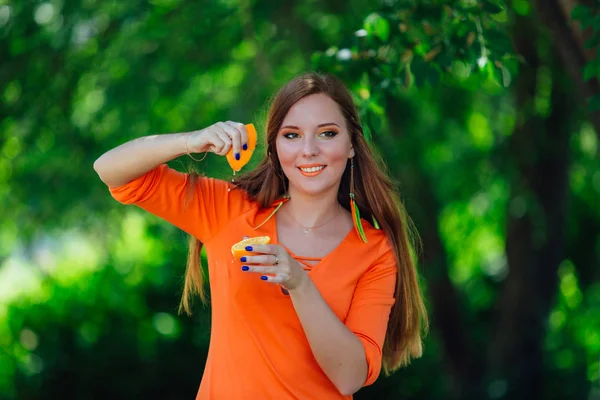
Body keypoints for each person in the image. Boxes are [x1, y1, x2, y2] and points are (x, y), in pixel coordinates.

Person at [93, 72, 428, 399]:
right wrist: (191, 141)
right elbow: (111, 170)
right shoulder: (230, 211)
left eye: (326, 133)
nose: (308, 150)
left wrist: (300, 283)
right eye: (292, 135)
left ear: (352, 144)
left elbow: (349, 377)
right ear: (275, 148)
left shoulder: (375, 250)